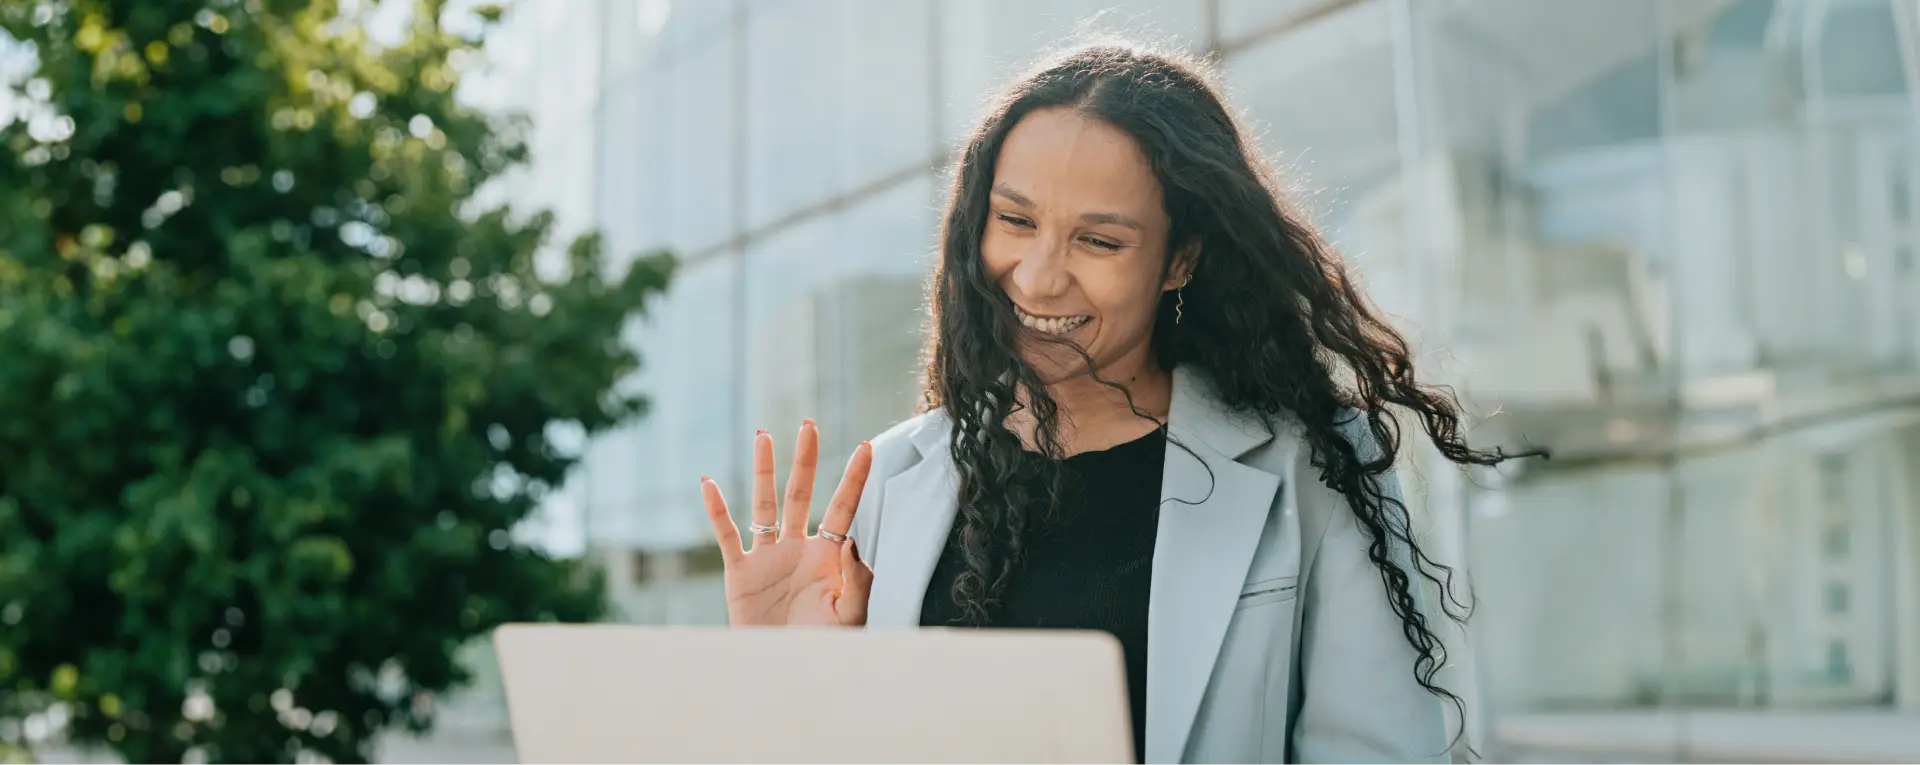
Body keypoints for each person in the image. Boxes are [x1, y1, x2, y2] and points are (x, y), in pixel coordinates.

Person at [697, 41, 1528, 765]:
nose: (1040, 276)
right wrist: (790, 684)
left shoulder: (1313, 467)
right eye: (1015, 221)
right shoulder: (892, 481)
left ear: (1180, 260)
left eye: (1100, 240)